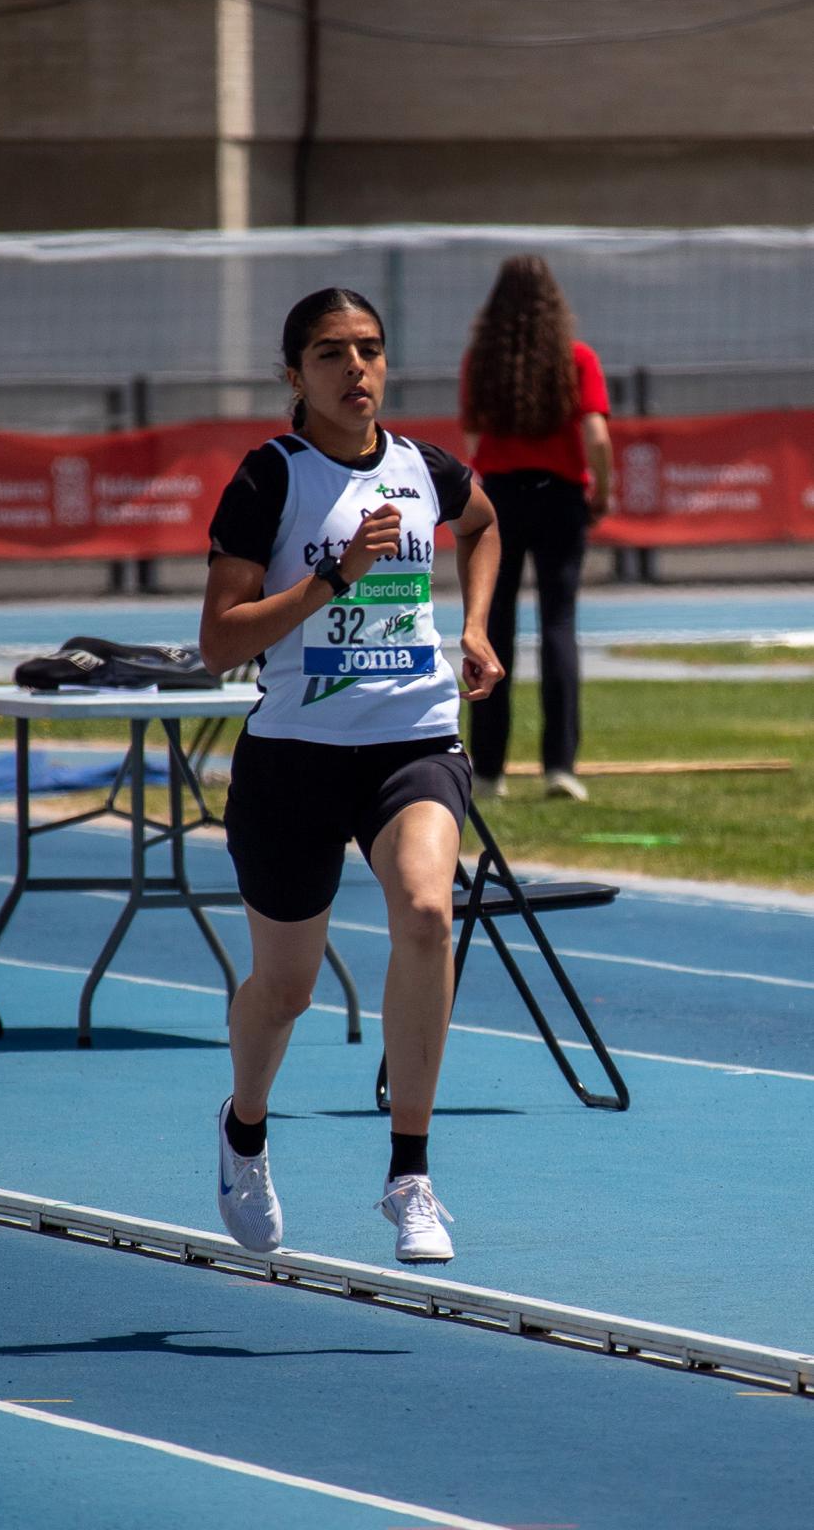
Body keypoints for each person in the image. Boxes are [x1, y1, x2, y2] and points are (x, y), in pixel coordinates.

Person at [198, 286, 503, 1265]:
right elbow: (216, 643)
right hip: (293, 757)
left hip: (411, 740)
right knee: (284, 989)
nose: (356, 368)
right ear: (295, 376)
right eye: (331, 353)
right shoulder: (269, 479)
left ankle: (409, 1174)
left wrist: (475, 626)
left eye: (369, 349)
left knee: (425, 910)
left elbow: (484, 523)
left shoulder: (422, 468)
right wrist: (333, 577)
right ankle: (245, 1126)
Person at [460, 255, 614, 803]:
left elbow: (474, 443)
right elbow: (595, 433)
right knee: (558, 626)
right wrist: (604, 490)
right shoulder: (576, 359)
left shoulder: (482, 361)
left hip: (499, 499)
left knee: (490, 629)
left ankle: (488, 772)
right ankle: (560, 767)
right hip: (561, 497)